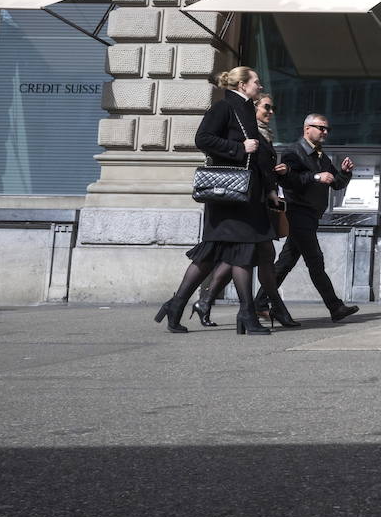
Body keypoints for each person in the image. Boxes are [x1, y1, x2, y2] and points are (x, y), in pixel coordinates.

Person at [153, 66, 278, 335]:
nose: (260, 86)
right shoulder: (224, 107)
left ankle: (177, 305)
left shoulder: (245, 108)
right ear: (242, 85)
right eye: (256, 82)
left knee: (216, 253)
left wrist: (269, 188)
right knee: (237, 252)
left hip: (244, 195)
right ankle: (246, 314)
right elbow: (203, 139)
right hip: (228, 195)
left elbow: (257, 157)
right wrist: (239, 148)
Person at [193, 93, 303, 328]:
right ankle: (266, 308)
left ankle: (208, 302)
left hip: (258, 201)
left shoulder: (264, 134)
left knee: (251, 257)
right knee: (248, 257)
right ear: (253, 108)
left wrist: (273, 184)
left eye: (273, 108)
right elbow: (209, 143)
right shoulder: (246, 133)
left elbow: (263, 168)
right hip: (244, 202)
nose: (270, 112)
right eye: (266, 107)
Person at [255, 114, 360, 323]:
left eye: (327, 129)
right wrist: (315, 177)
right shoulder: (293, 152)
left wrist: (345, 172)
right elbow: (288, 181)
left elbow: (336, 183)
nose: (325, 132)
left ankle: (259, 303)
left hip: (312, 215)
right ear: (307, 129)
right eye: (321, 128)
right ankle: (335, 307)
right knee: (315, 261)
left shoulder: (321, 156)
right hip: (298, 213)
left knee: (285, 262)